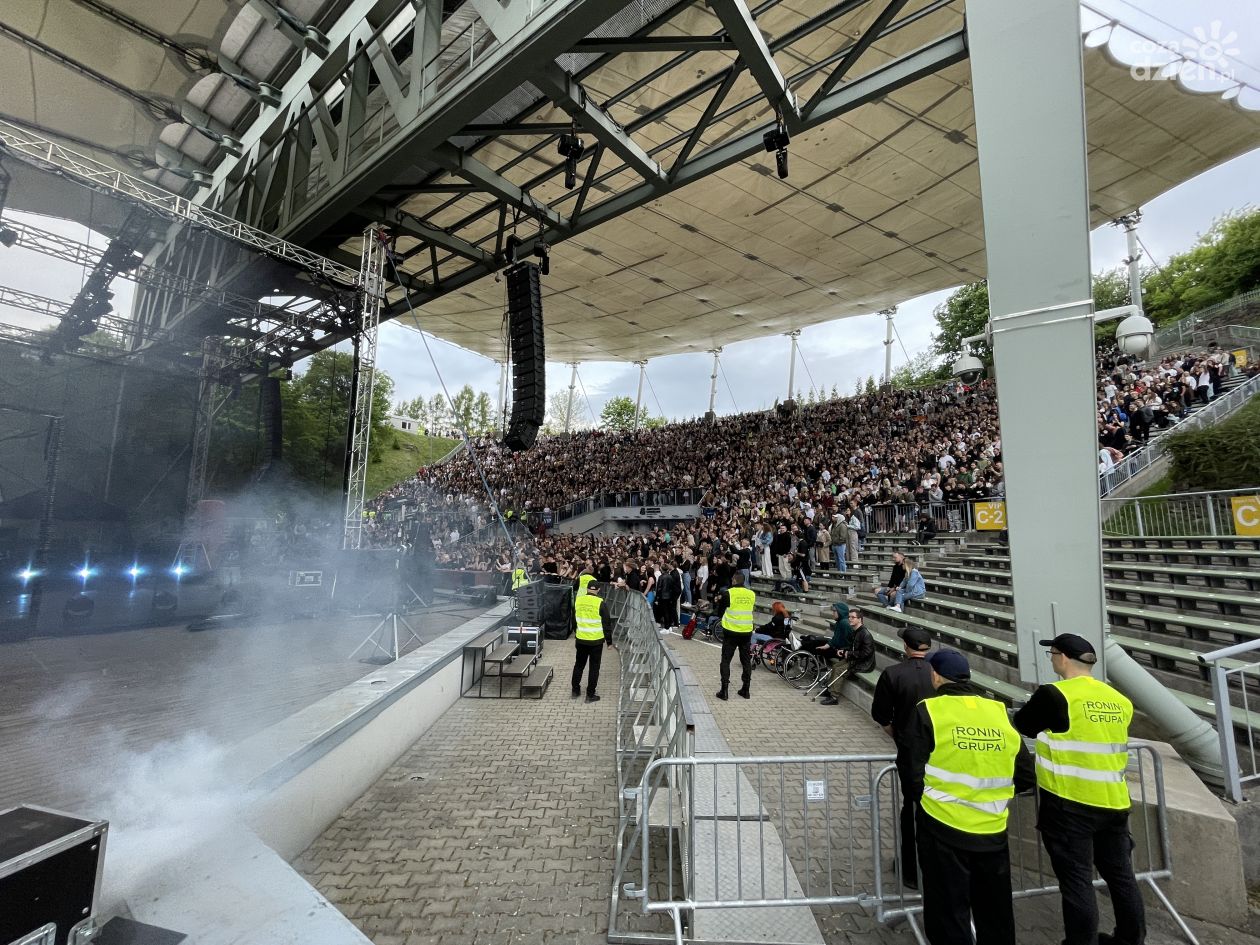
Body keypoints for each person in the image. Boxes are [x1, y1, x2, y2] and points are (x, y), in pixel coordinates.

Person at [1013, 634, 1145, 945]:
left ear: (1061, 657)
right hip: (1114, 802)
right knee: (1121, 877)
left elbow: (1024, 724)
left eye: (1052, 653)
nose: (1051, 658)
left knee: (1076, 881)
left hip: (1070, 803)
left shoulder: (1055, 694)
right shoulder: (1119, 699)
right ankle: (1130, 940)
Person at [905, 649, 1035, 945]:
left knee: (948, 912)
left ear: (935, 676)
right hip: (992, 830)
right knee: (995, 913)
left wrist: (925, 801)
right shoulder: (997, 710)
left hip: (942, 826)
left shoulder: (929, 710)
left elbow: (911, 770)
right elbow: (1026, 775)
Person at [869, 627, 935, 889]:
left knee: (912, 809)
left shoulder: (893, 673)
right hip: (942, 752)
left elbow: (881, 714)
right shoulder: (939, 673)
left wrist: (897, 735)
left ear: (906, 647)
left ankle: (910, 871)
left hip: (910, 751)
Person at [818, 606, 875, 706]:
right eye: (849, 617)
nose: (850, 619)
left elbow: (866, 653)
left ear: (860, 619)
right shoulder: (856, 631)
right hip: (855, 659)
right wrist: (844, 651)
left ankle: (834, 697)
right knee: (836, 666)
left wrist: (848, 653)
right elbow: (853, 647)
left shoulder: (865, 634)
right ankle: (830, 689)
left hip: (864, 663)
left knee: (839, 670)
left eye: (853, 617)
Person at [571, 580, 615, 703]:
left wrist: (576, 632)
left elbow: (574, 620)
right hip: (596, 642)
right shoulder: (600, 602)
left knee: (579, 665)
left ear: (587, 589)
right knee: (594, 668)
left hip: (581, 639)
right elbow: (606, 624)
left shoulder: (578, 600)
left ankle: (575, 690)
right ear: (598, 590)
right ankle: (590, 695)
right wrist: (609, 642)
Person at [714, 572, 755, 701]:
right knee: (746, 661)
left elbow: (720, 611)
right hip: (746, 632)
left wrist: (719, 600)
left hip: (731, 632)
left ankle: (724, 691)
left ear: (734, 580)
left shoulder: (729, 593)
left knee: (726, 661)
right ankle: (746, 690)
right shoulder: (751, 594)